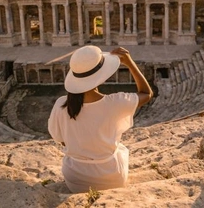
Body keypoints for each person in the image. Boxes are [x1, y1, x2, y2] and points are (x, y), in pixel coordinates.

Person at [48, 46, 153, 193]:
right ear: (101, 75)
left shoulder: (61, 104)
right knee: (121, 149)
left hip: (75, 178)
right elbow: (146, 93)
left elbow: (60, 139)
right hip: (111, 178)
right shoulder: (116, 102)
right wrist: (130, 63)